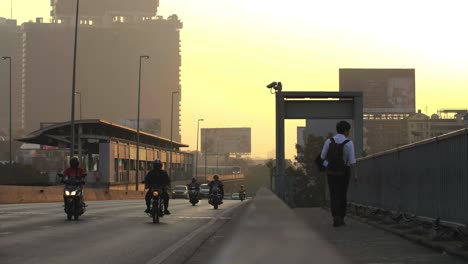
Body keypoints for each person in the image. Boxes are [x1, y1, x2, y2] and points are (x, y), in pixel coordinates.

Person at [320, 121, 356, 227]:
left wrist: (326, 167)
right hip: (344, 172)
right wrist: (355, 174)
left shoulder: (328, 141)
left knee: (333, 194)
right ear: (345, 131)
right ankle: (341, 217)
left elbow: (322, 157)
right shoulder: (349, 143)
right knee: (342, 194)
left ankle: (335, 216)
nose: (349, 132)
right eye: (348, 130)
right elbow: (352, 161)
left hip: (331, 172)